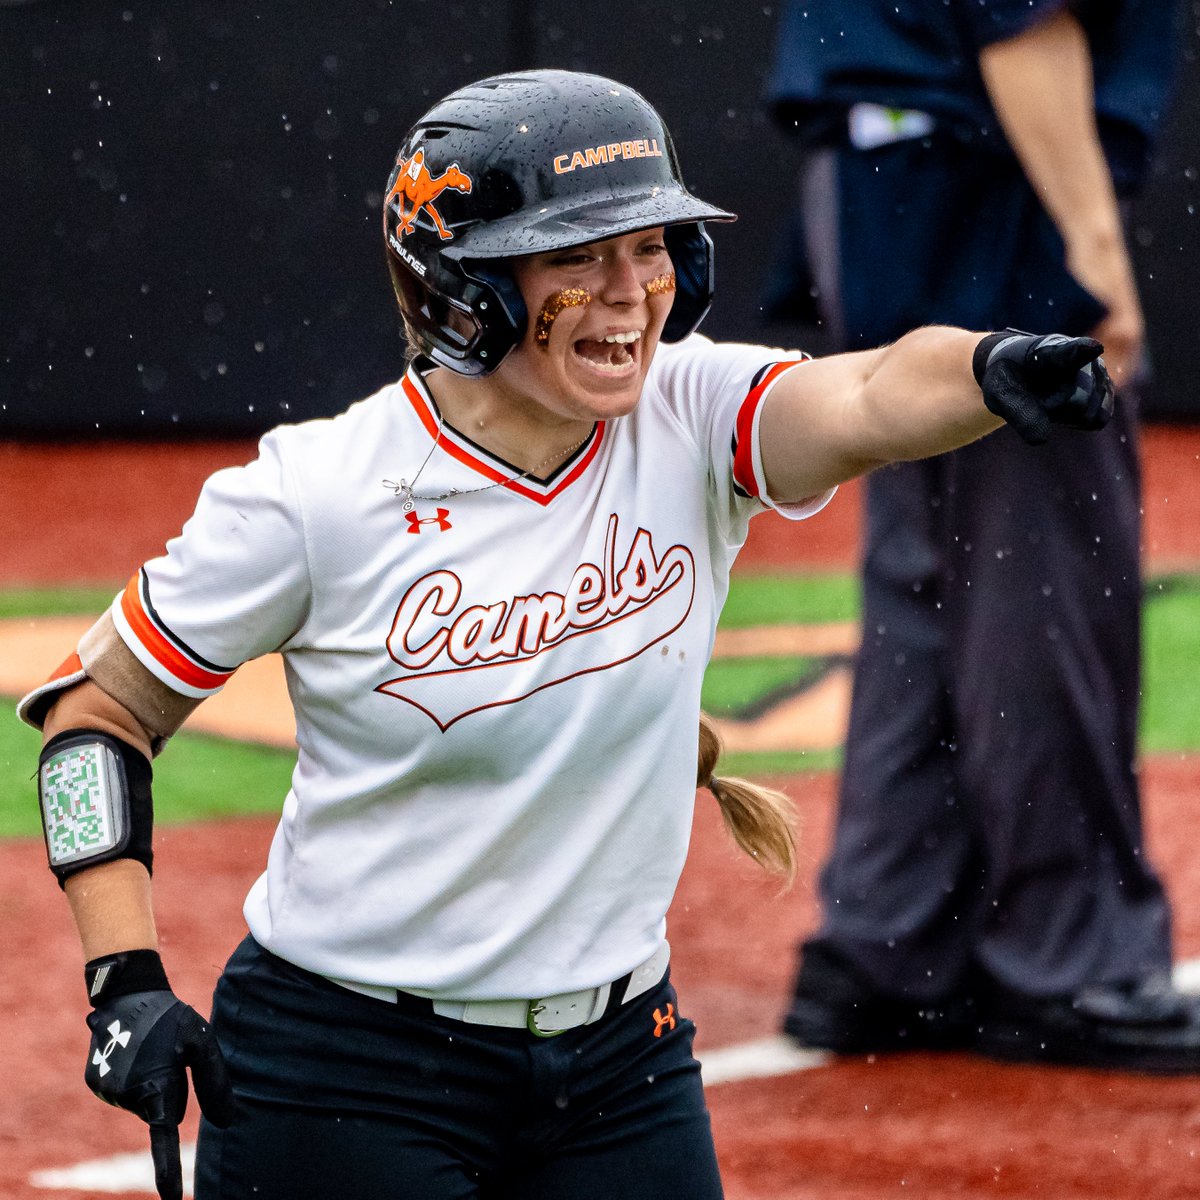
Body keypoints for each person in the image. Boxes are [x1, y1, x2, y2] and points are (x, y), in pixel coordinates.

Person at [21, 68, 1115, 1200]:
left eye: (649, 250)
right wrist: (124, 983)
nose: (630, 293)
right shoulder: (318, 494)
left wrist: (988, 369)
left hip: (617, 1063)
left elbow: (875, 392)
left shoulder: (692, 413)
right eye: (577, 258)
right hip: (343, 1075)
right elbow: (94, 715)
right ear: (467, 290)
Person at [764, 1, 1200, 1072]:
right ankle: (1070, 959)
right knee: (1044, 579)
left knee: (925, 586)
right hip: (987, 183)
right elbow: (1021, 22)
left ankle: (889, 937)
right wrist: (1095, 248)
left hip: (885, 178)